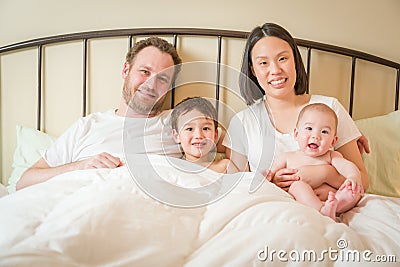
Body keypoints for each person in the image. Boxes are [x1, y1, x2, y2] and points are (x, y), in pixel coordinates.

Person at [223, 22, 369, 212]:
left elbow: (362, 181)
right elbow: (239, 189)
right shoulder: (242, 122)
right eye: (263, 63)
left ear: (295, 60)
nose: (275, 70)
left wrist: (326, 174)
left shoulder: (330, 108)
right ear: (253, 70)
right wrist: (273, 183)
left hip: (336, 207)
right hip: (275, 213)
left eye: (282, 58)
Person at [17, 37, 183, 190]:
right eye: (145, 72)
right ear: (126, 70)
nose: (151, 84)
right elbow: (24, 183)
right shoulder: (88, 125)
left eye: (162, 79)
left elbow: (207, 170)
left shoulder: (181, 123)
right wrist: (79, 166)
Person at [267, 103, 363, 220]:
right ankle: (322, 210)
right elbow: (270, 172)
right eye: (309, 128)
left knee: (352, 190)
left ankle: (334, 207)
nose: (316, 136)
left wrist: (353, 176)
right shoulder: (288, 157)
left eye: (324, 132)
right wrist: (267, 174)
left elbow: (347, 166)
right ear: (296, 134)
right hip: (306, 202)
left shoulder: (332, 156)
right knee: (297, 186)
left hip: (333, 199)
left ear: (333, 141)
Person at [171, 97, 237, 174]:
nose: (199, 135)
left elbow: (243, 183)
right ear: (176, 136)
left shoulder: (225, 166)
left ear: (215, 135)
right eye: (189, 129)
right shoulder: (172, 169)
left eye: (205, 128)